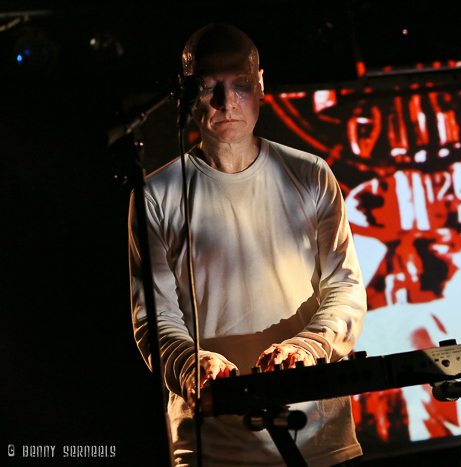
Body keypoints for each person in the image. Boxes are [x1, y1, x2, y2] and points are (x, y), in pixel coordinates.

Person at [128, 23, 366, 467]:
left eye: (239, 84)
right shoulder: (154, 196)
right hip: (213, 449)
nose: (226, 102)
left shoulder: (311, 175)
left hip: (318, 439)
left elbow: (346, 290)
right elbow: (154, 318)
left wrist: (308, 348)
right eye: (210, 87)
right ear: (186, 93)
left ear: (260, 86)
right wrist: (191, 364)